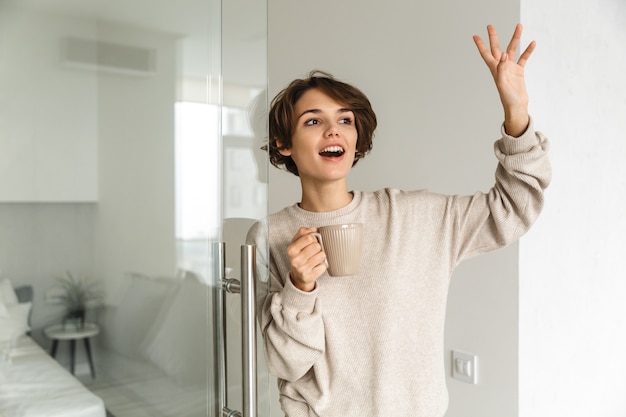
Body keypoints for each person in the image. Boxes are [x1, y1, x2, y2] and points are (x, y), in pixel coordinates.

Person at [247, 24, 551, 417]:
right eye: (312, 121)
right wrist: (299, 287)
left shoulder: (416, 216)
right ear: (283, 145)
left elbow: (516, 205)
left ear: (356, 138)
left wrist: (517, 113)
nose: (332, 130)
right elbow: (285, 364)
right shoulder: (270, 236)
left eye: (345, 120)